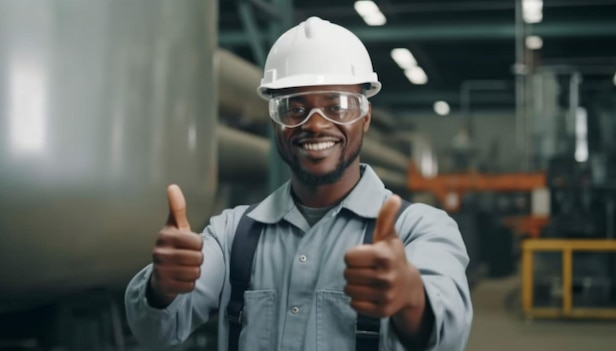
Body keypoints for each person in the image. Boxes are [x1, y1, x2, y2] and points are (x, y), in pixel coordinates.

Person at [125, 16, 472, 351]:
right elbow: (156, 333)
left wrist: (410, 296)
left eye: (337, 106)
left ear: (365, 117)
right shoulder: (232, 235)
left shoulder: (420, 229)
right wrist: (161, 288)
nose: (316, 125)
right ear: (275, 121)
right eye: (294, 108)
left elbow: (448, 336)